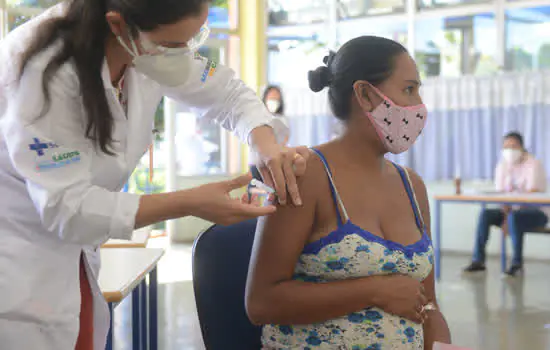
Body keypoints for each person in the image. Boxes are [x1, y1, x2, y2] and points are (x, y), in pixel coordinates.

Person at [0, 1, 308, 349]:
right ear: (118, 26)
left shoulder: (146, 45)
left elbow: (226, 93)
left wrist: (265, 144)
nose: (185, 55)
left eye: (194, 39)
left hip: (73, 259)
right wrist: (189, 202)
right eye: (175, 45)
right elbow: (67, 209)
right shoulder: (43, 73)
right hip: (19, 267)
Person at [245, 36, 451, 349]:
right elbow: (261, 303)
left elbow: (428, 304)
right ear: (366, 95)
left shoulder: (412, 186)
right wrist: (374, 290)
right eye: (409, 89)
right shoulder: (305, 174)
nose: (419, 105)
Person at [463, 131, 548, 276]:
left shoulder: (533, 164)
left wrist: (509, 217)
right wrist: (506, 215)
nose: (510, 150)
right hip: (510, 211)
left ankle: (516, 263)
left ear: (521, 147)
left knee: (515, 218)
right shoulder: (502, 166)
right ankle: (478, 260)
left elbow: (532, 193)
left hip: (537, 212)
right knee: (486, 214)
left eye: (513, 146)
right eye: (506, 147)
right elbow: (501, 195)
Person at [250, 85, 290, 182]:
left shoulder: (283, 120)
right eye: (271, 98)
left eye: (276, 99)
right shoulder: (257, 118)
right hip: (257, 164)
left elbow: (284, 141)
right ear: (265, 99)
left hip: (275, 163)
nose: (273, 101)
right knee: (256, 192)